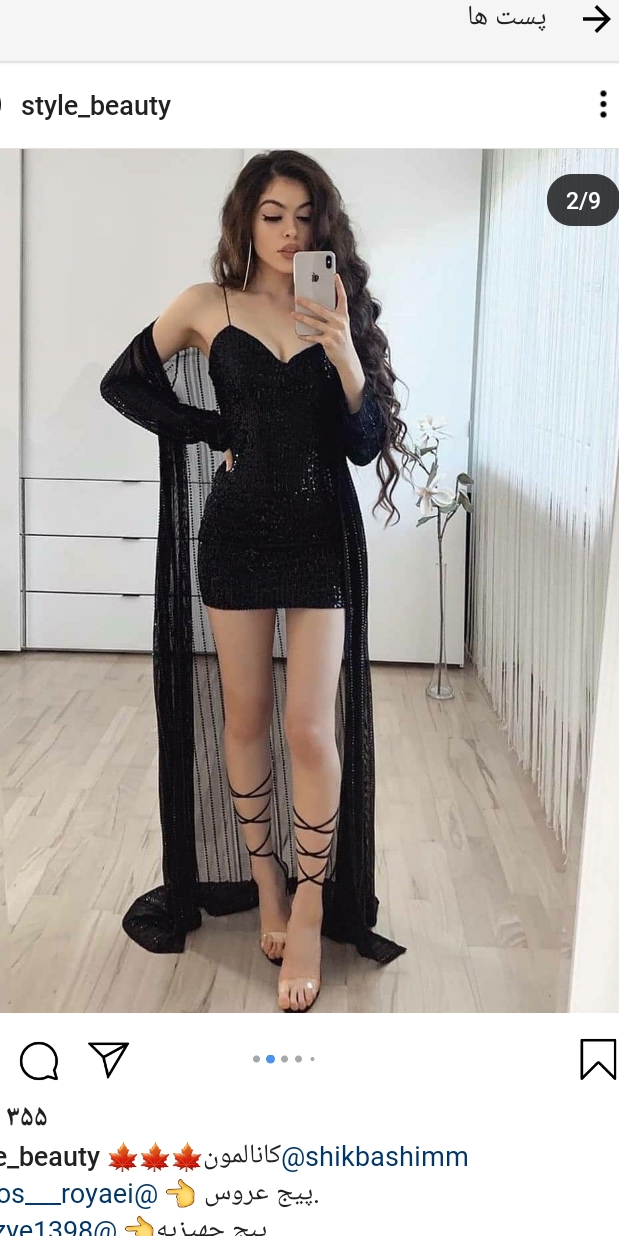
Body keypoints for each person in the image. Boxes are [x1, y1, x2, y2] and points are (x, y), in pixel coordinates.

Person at [101, 150, 407, 1011]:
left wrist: (344, 351)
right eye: (273, 215)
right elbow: (124, 383)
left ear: (324, 225)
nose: (289, 233)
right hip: (235, 534)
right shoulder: (207, 306)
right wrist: (211, 430)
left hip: (319, 536)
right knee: (245, 717)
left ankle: (310, 902)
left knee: (309, 726)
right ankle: (265, 877)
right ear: (246, 219)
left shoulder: (334, 308)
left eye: (305, 217)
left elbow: (364, 445)